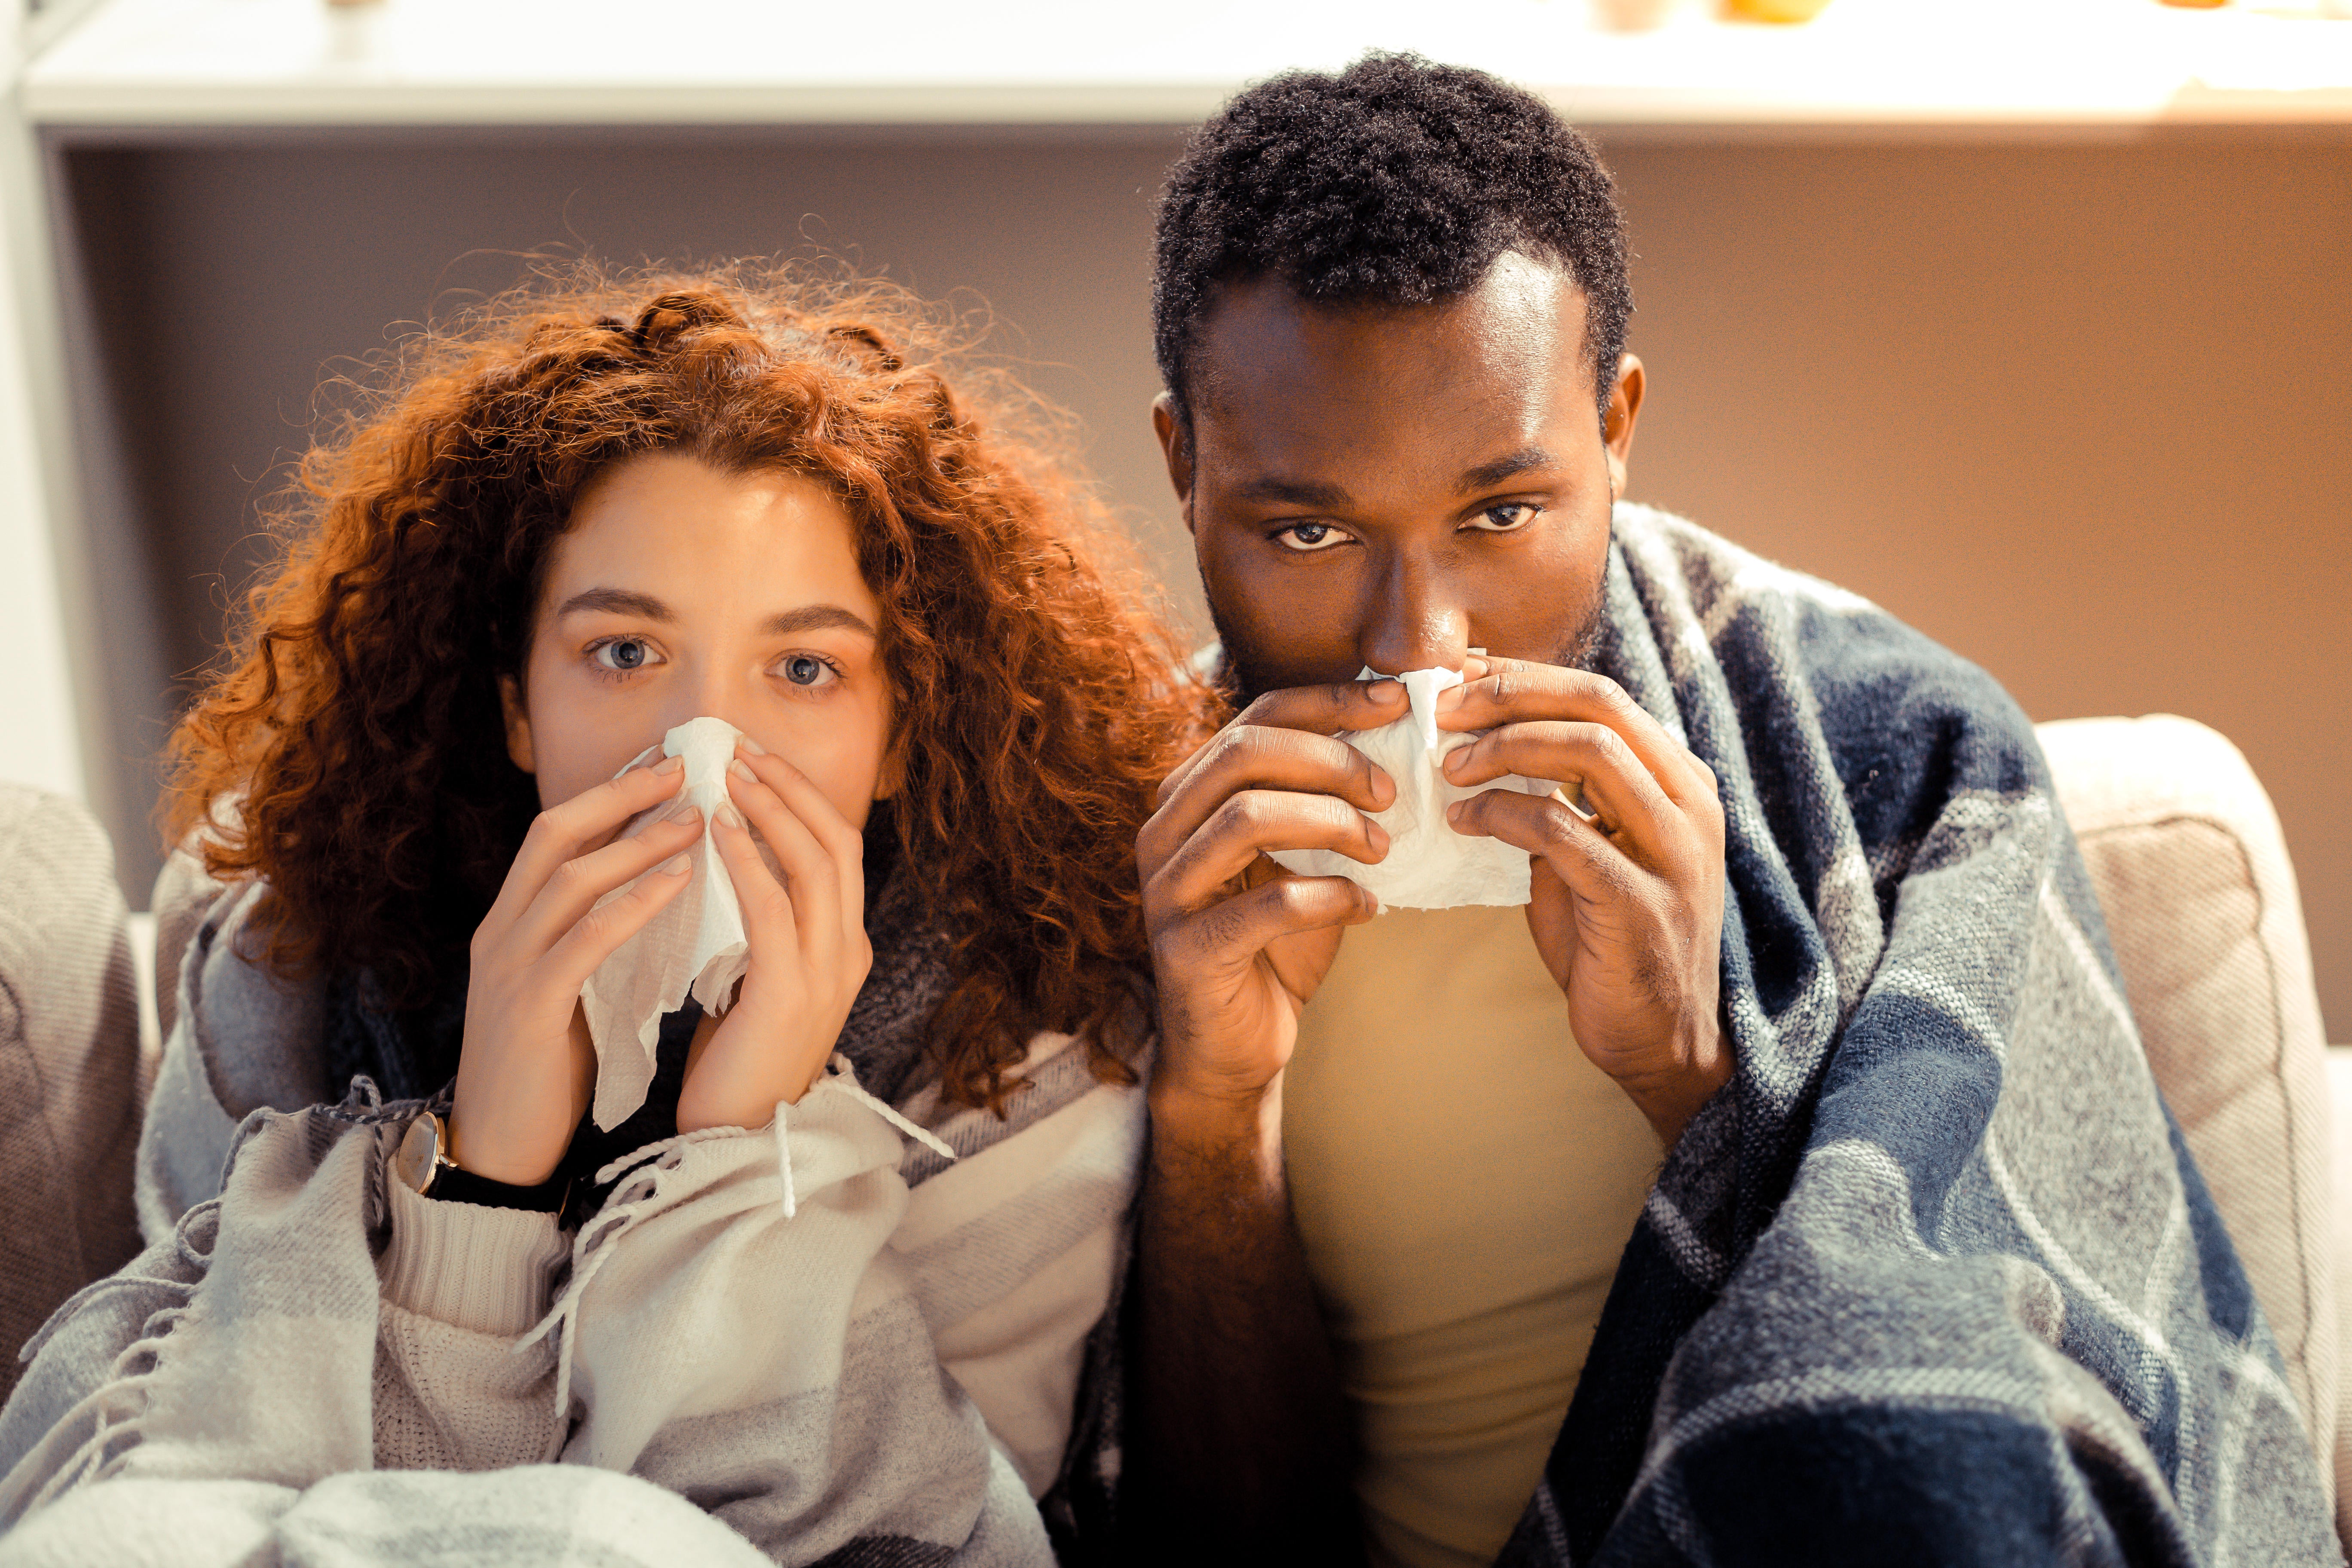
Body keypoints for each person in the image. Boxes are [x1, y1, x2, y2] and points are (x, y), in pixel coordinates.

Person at [1123, 54, 2336, 1568]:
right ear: (1186, 469)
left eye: (1501, 515)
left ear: (1616, 429)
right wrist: (1212, 1108)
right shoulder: (1113, 851)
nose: (1414, 644)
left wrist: (1693, 1082)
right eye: (1307, 529)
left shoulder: (1900, 757)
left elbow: (1960, 1413)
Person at [0, 268, 1202, 1565]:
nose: (707, 747)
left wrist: (737, 1155)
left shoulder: (1022, 1056)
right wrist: (484, 1177)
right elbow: (219, 1494)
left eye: (804, 669)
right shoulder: (290, 972)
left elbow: (892, 1542)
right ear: (519, 705)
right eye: (625, 653)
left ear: (898, 732)